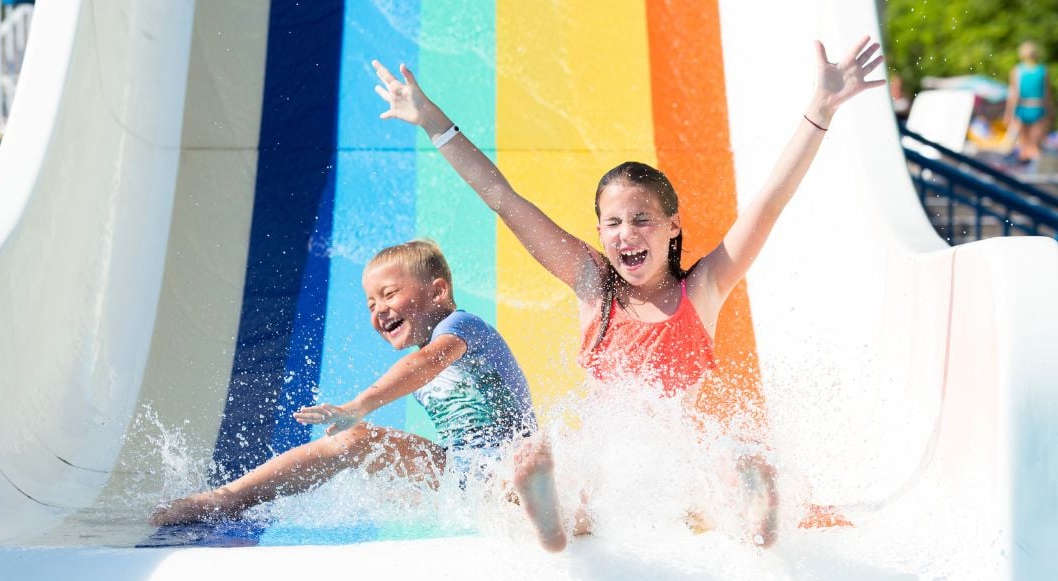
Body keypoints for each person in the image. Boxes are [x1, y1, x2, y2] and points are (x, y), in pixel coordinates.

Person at [373, 36, 885, 548]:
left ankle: (751, 497)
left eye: (642, 219)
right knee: (559, 472)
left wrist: (820, 109)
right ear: (599, 233)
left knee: (717, 465)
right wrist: (434, 122)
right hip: (609, 463)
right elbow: (503, 198)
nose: (626, 232)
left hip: (674, 462)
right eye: (612, 222)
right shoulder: (594, 287)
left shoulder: (703, 287)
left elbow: (771, 199)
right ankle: (551, 506)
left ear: (673, 226)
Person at [150, 239, 560, 549]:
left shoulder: (463, 328)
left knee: (524, 474)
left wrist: (359, 404)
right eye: (369, 304)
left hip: (509, 459)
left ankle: (546, 510)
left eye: (389, 294)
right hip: (461, 470)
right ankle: (229, 498)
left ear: (437, 292)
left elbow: (422, 366)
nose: (378, 310)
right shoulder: (426, 345)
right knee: (355, 440)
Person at [1004, 41, 1052, 166]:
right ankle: (1036, 175)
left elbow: (1013, 95)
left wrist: (1009, 113)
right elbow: (1047, 95)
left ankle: (1022, 176)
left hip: (1022, 108)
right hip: (1038, 108)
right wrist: (1051, 112)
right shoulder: (1042, 71)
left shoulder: (1017, 70)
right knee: (1035, 146)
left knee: (1024, 147)